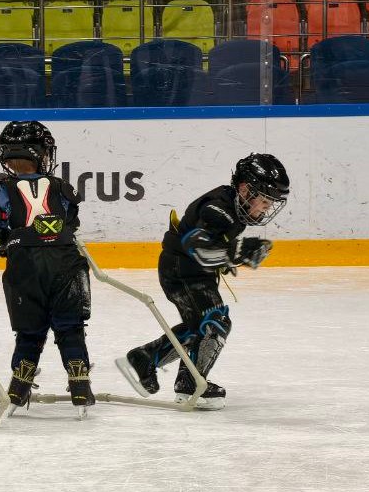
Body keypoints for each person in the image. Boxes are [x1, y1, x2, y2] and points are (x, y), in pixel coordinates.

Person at [116, 153, 290, 410]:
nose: (266, 208)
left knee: (200, 326)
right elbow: (197, 247)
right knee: (215, 322)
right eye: (264, 201)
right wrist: (234, 254)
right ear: (245, 189)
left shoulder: (234, 207)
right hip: (182, 271)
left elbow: (210, 246)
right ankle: (190, 385)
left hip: (190, 270)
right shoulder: (219, 209)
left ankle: (145, 357)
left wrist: (226, 258)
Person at [0, 121, 95, 417]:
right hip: (67, 262)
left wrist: (3, 244)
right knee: (70, 327)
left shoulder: (1, 189)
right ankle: (80, 383)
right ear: (42, 153)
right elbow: (71, 224)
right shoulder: (61, 187)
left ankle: (19, 386)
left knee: (29, 331)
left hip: (24, 266)